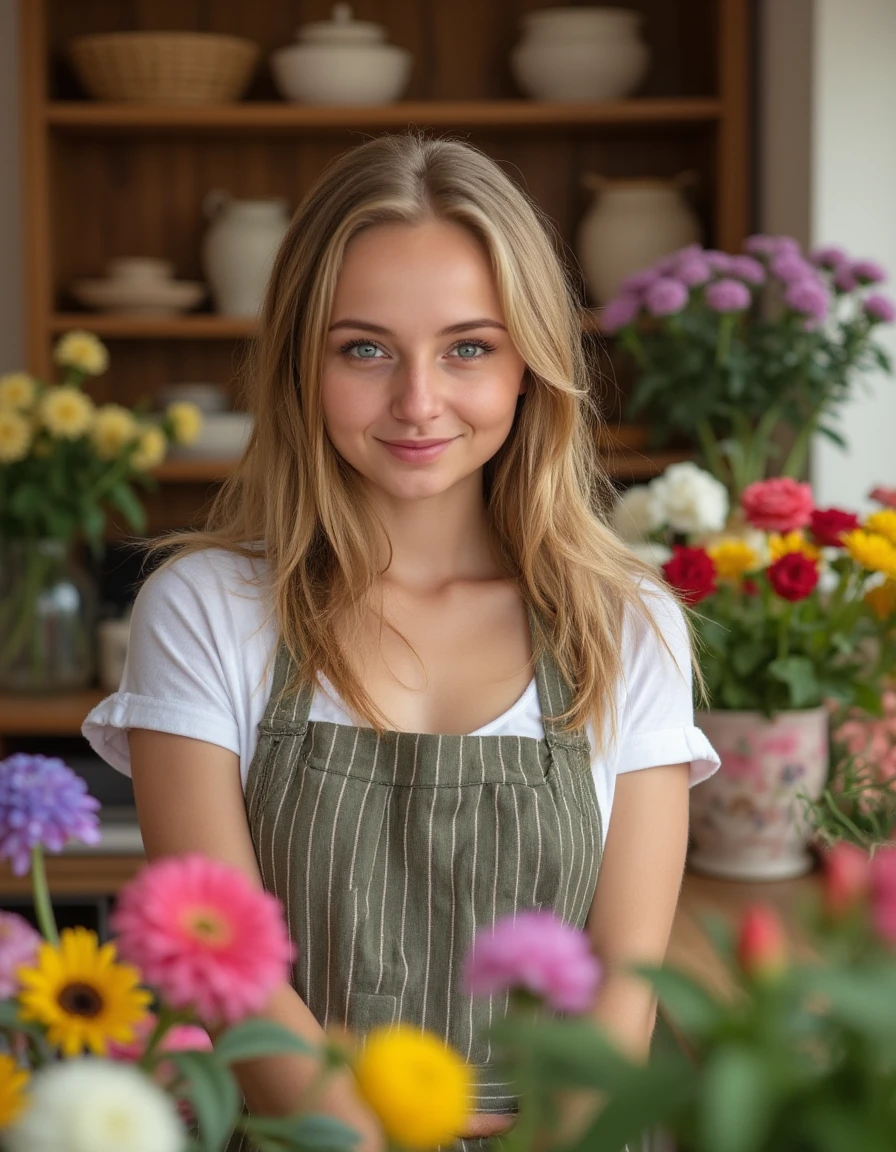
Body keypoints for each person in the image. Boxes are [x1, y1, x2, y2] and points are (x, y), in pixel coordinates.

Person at [83, 133, 719, 1151]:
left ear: (528, 365)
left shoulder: (625, 622)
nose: (417, 401)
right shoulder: (204, 607)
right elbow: (222, 969)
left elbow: (620, 991)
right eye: (364, 348)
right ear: (302, 362)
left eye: (468, 346)